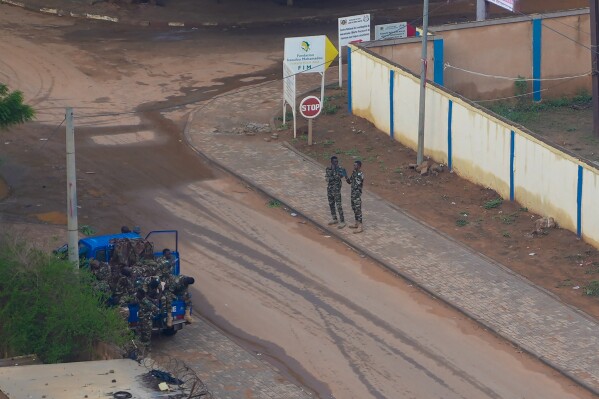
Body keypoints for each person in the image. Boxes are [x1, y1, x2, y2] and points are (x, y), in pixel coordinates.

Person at [325, 155, 346, 229]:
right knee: (331, 204)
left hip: (336, 190)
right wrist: (334, 176)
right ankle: (334, 219)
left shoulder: (340, 169)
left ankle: (342, 221)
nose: (336, 163)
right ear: (331, 162)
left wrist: (333, 176)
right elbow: (327, 179)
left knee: (339, 205)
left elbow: (341, 175)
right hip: (330, 189)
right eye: (334, 162)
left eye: (337, 161)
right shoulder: (328, 169)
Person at [346, 160, 364, 234]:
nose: (354, 166)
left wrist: (353, 178)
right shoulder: (354, 173)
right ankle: (356, 223)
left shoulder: (360, 174)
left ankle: (360, 226)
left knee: (358, 210)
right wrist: (346, 176)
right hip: (353, 194)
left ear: (359, 166)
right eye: (354, 165)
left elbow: (357, 184)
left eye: (355, 165)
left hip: (357, 195)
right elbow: (349, 182)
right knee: (354, 208)